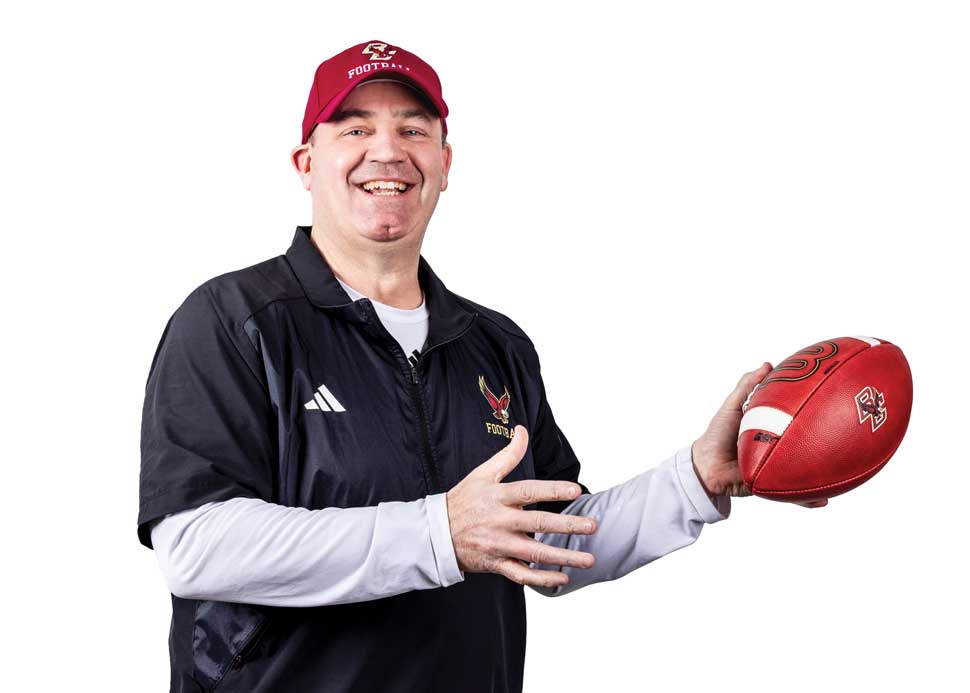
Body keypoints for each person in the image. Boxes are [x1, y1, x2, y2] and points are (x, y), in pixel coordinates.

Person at [138, 40, 825, 693]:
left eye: (413, 129)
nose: (387, 150)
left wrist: (698, 477)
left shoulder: (493, 344)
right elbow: (197, 545)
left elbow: (549, 539)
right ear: (304, 163)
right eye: (353, 129)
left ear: (444, 160)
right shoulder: (233, 321)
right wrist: (440, 533)